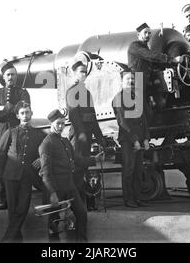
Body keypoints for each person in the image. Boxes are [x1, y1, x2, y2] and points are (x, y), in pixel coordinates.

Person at [39, 109, 104, 242]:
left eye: (63, 123)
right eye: (58, 123)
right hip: (57, 189)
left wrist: (94, 159)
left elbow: (77, 159)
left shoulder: (65, 141)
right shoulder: (46, 144)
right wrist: (52, 193)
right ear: (51, 123)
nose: (61, 126)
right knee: (54, 222)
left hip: (70, 186)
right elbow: (45, 172)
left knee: (81, 214)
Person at [0, 101, 46, 242]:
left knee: (22, 209)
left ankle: (6, 240)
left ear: (31, 113)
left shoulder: (39, 134)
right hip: (10, 176)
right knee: (12, 211)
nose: (25, 115)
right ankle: (16, 240)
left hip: (28, 177)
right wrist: (1, 177)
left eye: (27, 112)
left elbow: (49, 150)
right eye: (22, 113)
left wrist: (42, 159)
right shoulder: (10, 132)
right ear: (17, 115)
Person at [0, 62, 31, 210]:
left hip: (17, 131)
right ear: (3, 76)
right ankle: (4, 199)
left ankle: (17, 197)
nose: (11, 77)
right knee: (2, 160)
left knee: (17, 161)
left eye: (13, 74)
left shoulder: (22, 92)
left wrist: (5, 109)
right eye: (8, 74)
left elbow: (25, 109)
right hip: (2, 132)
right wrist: (11, 108)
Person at [66, 60, 106, 210]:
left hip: (86, 136)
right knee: (76, 169)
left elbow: (92, 117)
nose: (84, 74)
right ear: (74, 73)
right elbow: (74, 116)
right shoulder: (72, 91)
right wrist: (82, 135)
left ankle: (83, 202)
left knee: (83, 170)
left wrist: (100, 137)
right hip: (78, 136)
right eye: (81, 71)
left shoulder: (86, 92)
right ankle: (74, 204)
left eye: (85, 72)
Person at [112, 69, 150, 208]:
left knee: (138, 170)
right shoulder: (118, 99)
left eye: (132, 79)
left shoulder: (136, 97)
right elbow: (123, 123)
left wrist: (145, 138)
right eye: (127, 79)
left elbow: (143, 120)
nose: (131, 81)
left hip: (139, 139)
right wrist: (134, 140)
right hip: (128, 140)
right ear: (121, 82)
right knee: (129, 169)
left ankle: (138, 197)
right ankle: (128, 199)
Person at [128, 23, 180, 119]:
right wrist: (171, 59)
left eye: (149, 33)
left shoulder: (144, 47)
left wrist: (173, 64)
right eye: (145, 33)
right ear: (138, 35)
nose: (148, 35)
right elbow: (150, 56)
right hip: (137, 82)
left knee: (159, 106)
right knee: (143, 114)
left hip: (145, 83)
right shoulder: (135, 46)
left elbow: (154, 62)